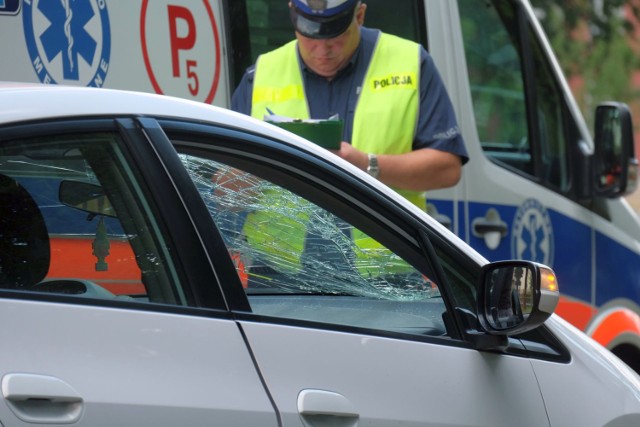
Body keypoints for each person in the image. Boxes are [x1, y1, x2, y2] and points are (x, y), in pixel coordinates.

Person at [231, 0, 468, 210]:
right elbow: (223, 188)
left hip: (383, 257)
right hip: (278, 259)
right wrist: (258, 170)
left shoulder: (411, 63)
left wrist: (367, 165)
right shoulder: (260, 75)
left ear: (360, 15)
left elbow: (447, 169)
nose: (322, 49)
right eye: (310, 33)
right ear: (292, 12)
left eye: (335, 34)